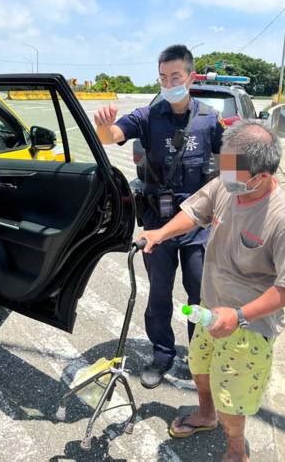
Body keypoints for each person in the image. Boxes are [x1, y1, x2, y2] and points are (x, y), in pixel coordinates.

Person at [140, 120, 285, 462]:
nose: (224, 173)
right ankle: (205, 415)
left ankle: (236, 450)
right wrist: (161, 233)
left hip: (247, 325)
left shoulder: (284, 220)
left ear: (261, 176)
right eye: (224, 164)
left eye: (233, 169)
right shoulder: (229, 184)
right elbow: (194, 212)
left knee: (232, 397)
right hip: (209, 310)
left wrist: (240, 315)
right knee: (200, 368)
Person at [94, 44, 223, 388]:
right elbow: (113, 135)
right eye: (163, 77)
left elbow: (235, 167)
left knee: (199, 295)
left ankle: (200, 356)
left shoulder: (211, 119)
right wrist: (105, 128)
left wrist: (236, 208)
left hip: (198, 225)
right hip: (158, 222)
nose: (168, 83)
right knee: (160, 293)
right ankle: (163, 353)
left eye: (175, 76)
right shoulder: (149, 116)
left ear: (190, 77)